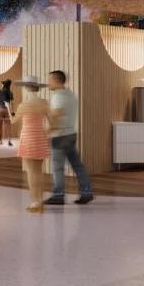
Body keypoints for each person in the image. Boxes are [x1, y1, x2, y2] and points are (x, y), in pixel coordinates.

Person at [45, 70, 94, 206]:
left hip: (60, 136)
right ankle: (86, 192)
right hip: (71, 134)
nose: (48, 83)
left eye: (50, 80)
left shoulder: (58, 97)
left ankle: (58, 195)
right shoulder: (71, 95)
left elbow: (56, 116)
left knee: (58, 167)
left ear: (57, 80)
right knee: (77, 165)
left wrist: (47, 131)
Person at [13, 76, 51, 213]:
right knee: (39, 172)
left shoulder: (24, 105)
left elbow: (13, 120)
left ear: (26, 88)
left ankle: (35, 202)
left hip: (28, 138)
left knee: (31, 172)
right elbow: (52, 123)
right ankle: (40, 200)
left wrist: (7, 106)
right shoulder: (44, 103)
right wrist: (46, 134)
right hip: (40, 137)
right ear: (37, 88)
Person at [0, 79, 14, 146]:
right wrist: (12, 111)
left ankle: (0, 141)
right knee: (8, 125)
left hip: (0, 109)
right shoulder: (10, 92)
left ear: (4, 84)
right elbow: (11, 103)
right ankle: (9, 140)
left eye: (2, 83)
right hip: (7, 110)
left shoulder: (0, 91)